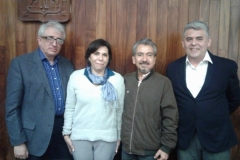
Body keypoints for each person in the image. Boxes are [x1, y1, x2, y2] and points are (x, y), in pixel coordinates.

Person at [166, 21, 240, 160]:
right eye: (189, 39)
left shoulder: (226, 67)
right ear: (183, 43)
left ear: (208, 41)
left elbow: (234, 99)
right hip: (186, 138)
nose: (194, 43)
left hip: (217, 137)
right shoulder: (173, 68)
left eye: (199, 38)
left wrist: (213, 114)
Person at [5, 21, 74, 160]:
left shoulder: (67, 65)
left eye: (59, 40)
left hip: (63, 133)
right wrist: (18, 141)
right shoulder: (21, 64)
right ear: (39, 40)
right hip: (34, 137)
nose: (54, 44)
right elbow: (11, 108)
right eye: (49, 38)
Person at [62, 39, 125, 160]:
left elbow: (119, 110)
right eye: (96, 53)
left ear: (108, 59)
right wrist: (66, 133)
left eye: (104, 55)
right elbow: (70, 107)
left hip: (107, 138)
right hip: (80, 138)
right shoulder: (76, 77)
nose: (100, 58)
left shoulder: (117, 80)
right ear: (89, 56)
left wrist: (119, 136)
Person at [121, 38, 179, 160]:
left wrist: (166, 147)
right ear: (133, 59)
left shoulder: (163, 83)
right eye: (140, 54)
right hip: (126, 150)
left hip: (151, 152)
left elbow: (171, 117)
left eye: (149, 55)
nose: (144, 59)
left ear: (154, 60)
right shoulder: (125, 80)